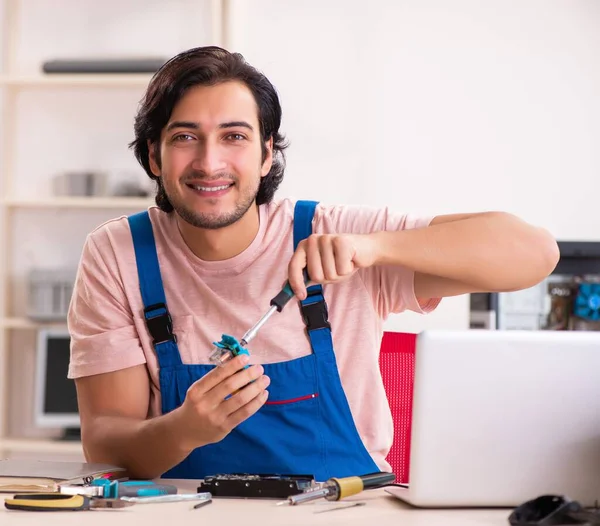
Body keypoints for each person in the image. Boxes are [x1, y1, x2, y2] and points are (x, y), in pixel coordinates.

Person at [67, 46, 559, 481]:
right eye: (185, 137)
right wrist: (185, 430)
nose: (209, 163)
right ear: (154, 156)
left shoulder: (337, 231)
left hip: (346, 511)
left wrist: (376, 249)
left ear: (266, 156)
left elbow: (535, 254)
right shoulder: (119, 253)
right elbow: (105, 442)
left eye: (234, 137)